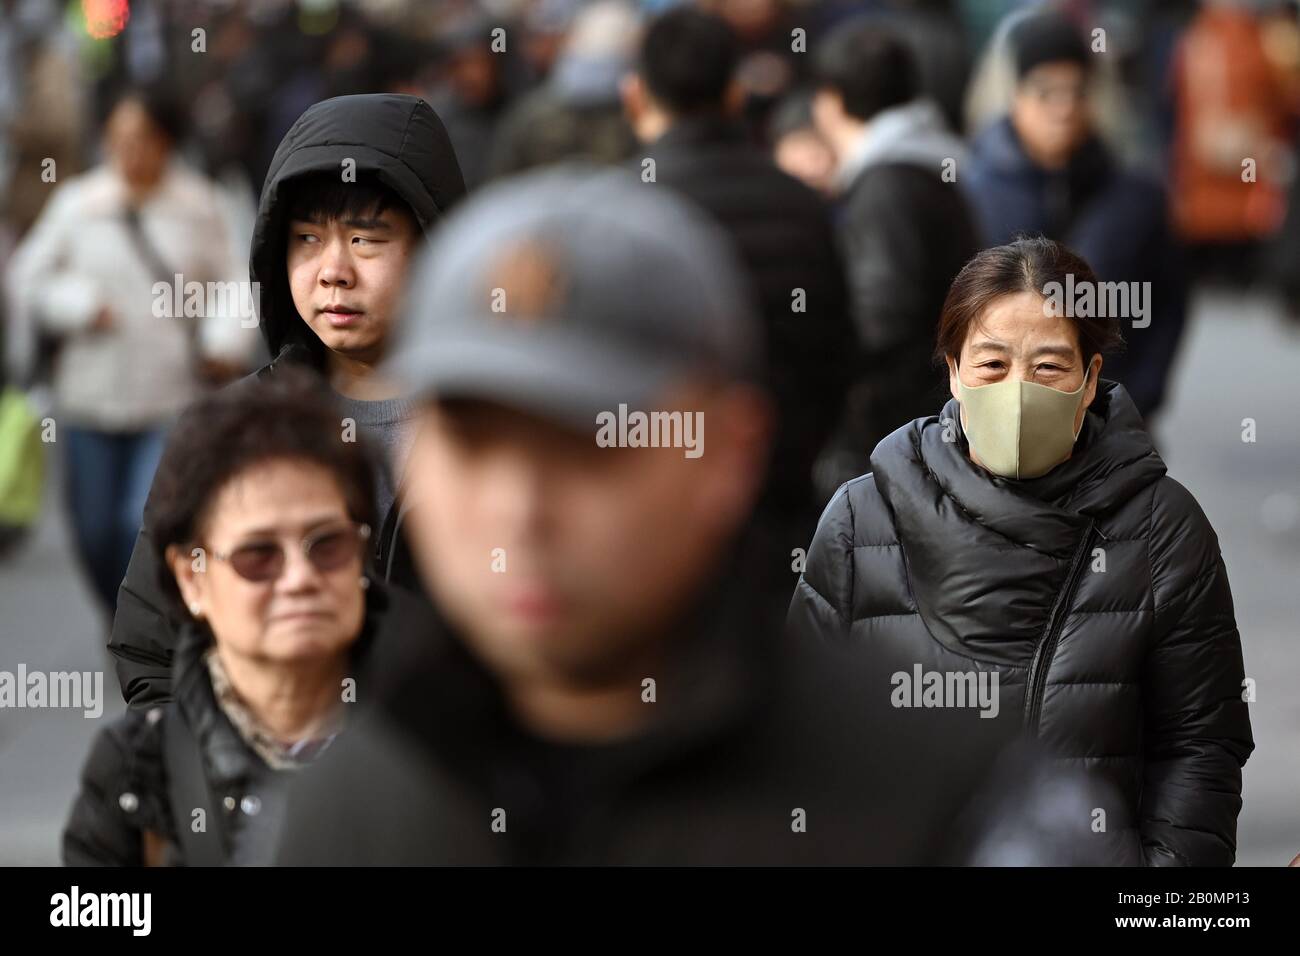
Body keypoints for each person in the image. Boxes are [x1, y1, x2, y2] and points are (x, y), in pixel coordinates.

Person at [273, 168, 1090, 866]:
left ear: (732, 451)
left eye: (591, 445)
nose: (519, 513)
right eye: (471, 443)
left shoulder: (945, 801)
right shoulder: (343, 811)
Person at [788, 237, 1255, 866]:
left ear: (1091, 380)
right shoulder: (860, 518)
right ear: (953, 370)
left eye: (1049, 367)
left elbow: (1200, 745)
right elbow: (802, 736)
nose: (1017, 391)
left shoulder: (1163, 528)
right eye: (991, 364)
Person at [108, 92, 466, 709]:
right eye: (306, 238)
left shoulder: (493, 434)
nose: (333, 270)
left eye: (366, 239)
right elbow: (151, 653)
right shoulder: (228, 434)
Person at [63, 369, 423, 865]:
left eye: (327, 546)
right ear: (192, 580)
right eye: (258, 555)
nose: (299, 578)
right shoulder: (137, 771)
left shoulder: (444, 747)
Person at [4, 86, 257, 617]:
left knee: (139, 525)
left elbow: (236, 283)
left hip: (171, 398)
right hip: (90, 399)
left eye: (143, 139)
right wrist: (78, 305)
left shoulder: (200, 205)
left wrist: (222, 340)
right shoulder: (79, 203)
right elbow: (29, 275)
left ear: (167, 142)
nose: (131, 151)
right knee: (94, 531)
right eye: (119, 139)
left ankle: (144, 629)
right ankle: (120, 617)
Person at [621, 5, 855, 541]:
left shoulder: (620, 207)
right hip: (785, 496)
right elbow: (837, 349)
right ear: (735, 92)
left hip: (665, 500)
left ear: (635, 96)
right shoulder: (802, 204)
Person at [962, 9, 1188, 422]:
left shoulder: (1134, 199)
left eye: (1076, 91)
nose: (1063, 107)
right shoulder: (971, 195)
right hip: (998, 427)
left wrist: (1138, 398)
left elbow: (1166, 303)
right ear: (1015, 94)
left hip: (1113, 428)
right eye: (1046, 91)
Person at [809, 21, 979, 498]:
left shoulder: (886, 185)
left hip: (903, 428)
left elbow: (882, 316)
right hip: (937, 416)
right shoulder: (935, 164)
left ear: (831, 102)